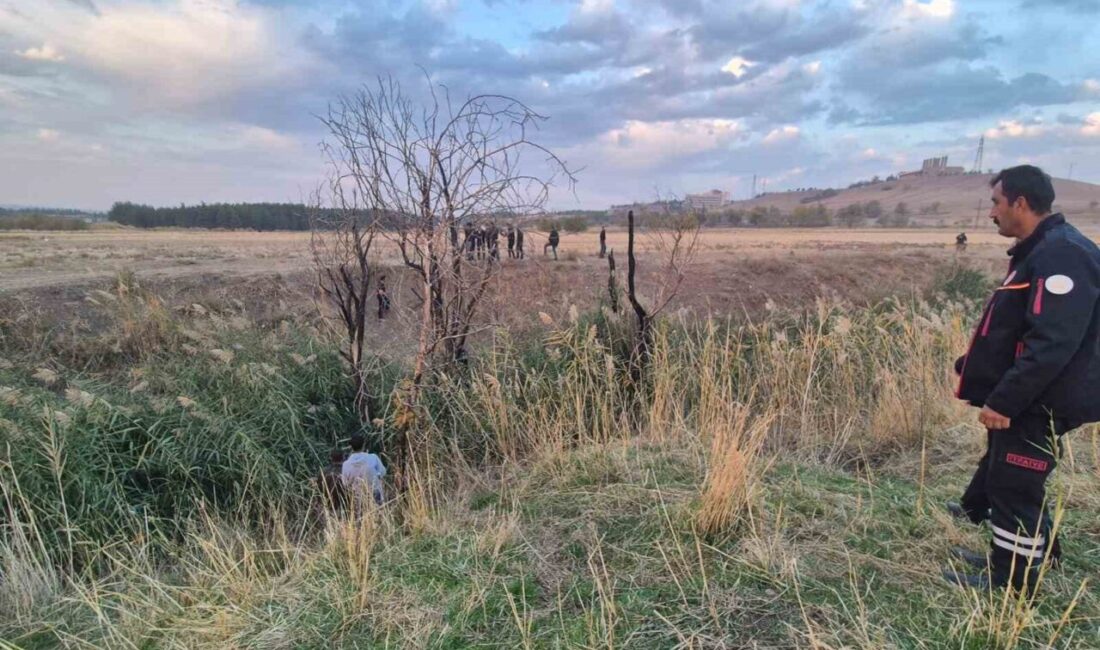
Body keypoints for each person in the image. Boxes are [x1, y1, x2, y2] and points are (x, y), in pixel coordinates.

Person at [945, 165, 1100, 594]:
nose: (991, 213)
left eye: (996, 203)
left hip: (1041, 399)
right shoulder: (1042, 250)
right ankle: (1035, 555)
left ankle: (1011, 582)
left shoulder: (1061, 255)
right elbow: (1021, 329)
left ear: (1020, 203)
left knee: (1014, 483)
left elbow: (1052, 343)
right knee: (1016, 477)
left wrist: (1005, 400)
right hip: (1037, 394)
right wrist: (975, 366)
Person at [342, 434, 387, 506]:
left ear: (351, 447)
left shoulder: (346, 464)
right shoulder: (373, 458)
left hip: (357, 498)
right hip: (375, 495)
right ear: (364, 445)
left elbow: (345, 483)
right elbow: (383, 472)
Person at [318, 447, 347, 511]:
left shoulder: (323, 471)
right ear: (343, 458)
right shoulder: (345, 471)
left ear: (331, 458)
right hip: (342, 505)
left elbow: (319, 488)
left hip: (327, 504)